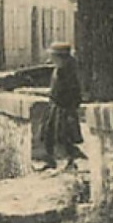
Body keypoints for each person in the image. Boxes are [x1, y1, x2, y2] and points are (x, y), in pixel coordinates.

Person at [36, 41, 84, 171]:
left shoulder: (67, 71)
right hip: (55, 105)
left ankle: (70, 161)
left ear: (60, 57)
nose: (51, 59)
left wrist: (70, 106)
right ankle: (50, 160)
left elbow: (74, 90)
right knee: (47, 133)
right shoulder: (59, 69)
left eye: (53, 56)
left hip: (64, 107)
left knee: (64, 135)